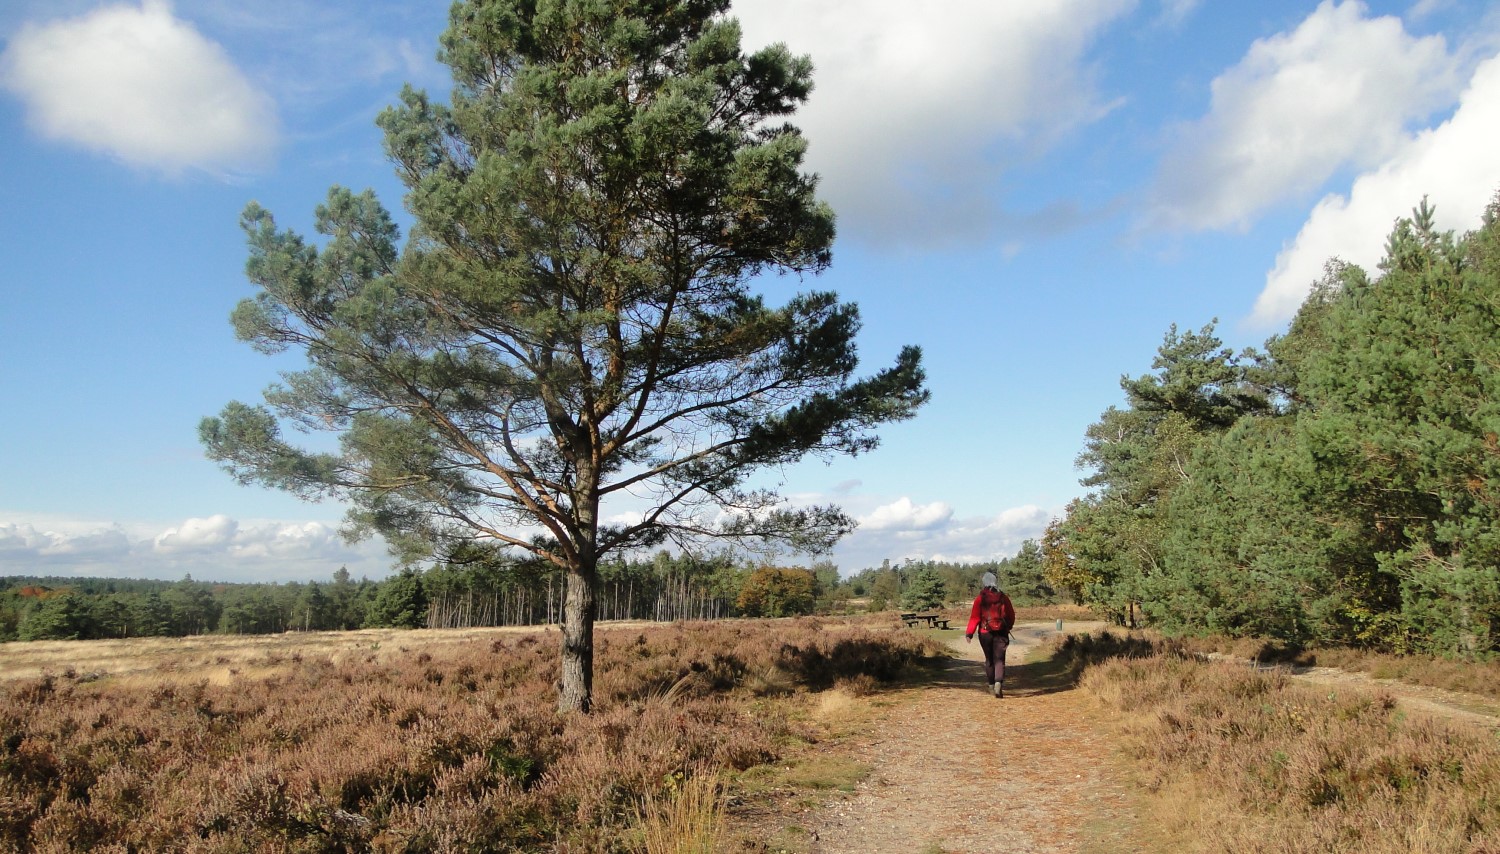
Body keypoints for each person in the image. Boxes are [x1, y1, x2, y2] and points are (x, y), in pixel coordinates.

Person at [965, 572, 1015, 697]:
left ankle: (991, 685)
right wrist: (1008, 626)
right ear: (995, 581)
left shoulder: (980, 598)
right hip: (1001, 632)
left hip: (985, 632)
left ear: (984, 582)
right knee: (999, 659)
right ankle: (999, 682)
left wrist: (969, 633)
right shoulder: (1003, 597)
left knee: (989, 660)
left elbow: (974, 617)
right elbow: (1011, 614)